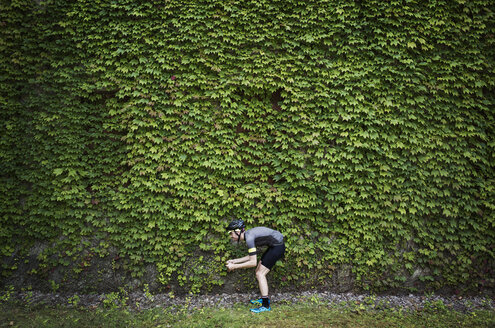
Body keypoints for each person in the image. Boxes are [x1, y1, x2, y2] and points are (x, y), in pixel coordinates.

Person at [225, 219, 285, 313]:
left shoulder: (249, 238)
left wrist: (234, 267)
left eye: (231, 233)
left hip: (277, 247)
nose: (230, 236)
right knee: (258, 272)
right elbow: (251, 256)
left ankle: (265, 305)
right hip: (274, 246)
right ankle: (263, 299)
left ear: (237, 232)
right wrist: (234, 261)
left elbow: (253, 262)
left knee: (260, 274)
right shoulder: (248, 236)